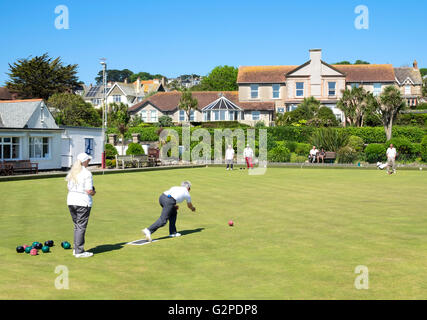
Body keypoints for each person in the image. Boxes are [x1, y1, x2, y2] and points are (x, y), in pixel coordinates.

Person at [65, 153, 96, 258]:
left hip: (71, 201)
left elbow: (68, 187)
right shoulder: (87, 173)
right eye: (88, 160)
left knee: (77, 226)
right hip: (83, 202)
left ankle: (76, 249)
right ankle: (79, 251)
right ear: (84, 161)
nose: (89, 162)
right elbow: (89, 190)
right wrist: (94, 192)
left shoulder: (72, 172)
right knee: (81, 226)